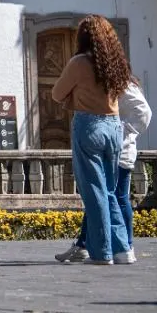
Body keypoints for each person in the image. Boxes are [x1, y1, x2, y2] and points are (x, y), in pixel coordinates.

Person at [51, 15, 133, 266]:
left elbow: (56, 93)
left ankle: (101, 252)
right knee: (110, 191)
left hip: (89, 126)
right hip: (114, 126)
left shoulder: (79, 62)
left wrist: (76, 93)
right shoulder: (116, 63)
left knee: (94, 192)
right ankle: (123, 250)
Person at [56, 74, 152, 264]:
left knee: (116, 198)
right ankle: (83, 245)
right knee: (99, 198)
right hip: (113, 148)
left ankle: (126, 245)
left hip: (120, 151)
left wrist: (121, 130)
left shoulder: (122, 83)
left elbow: (143, 112)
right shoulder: (112, 83)